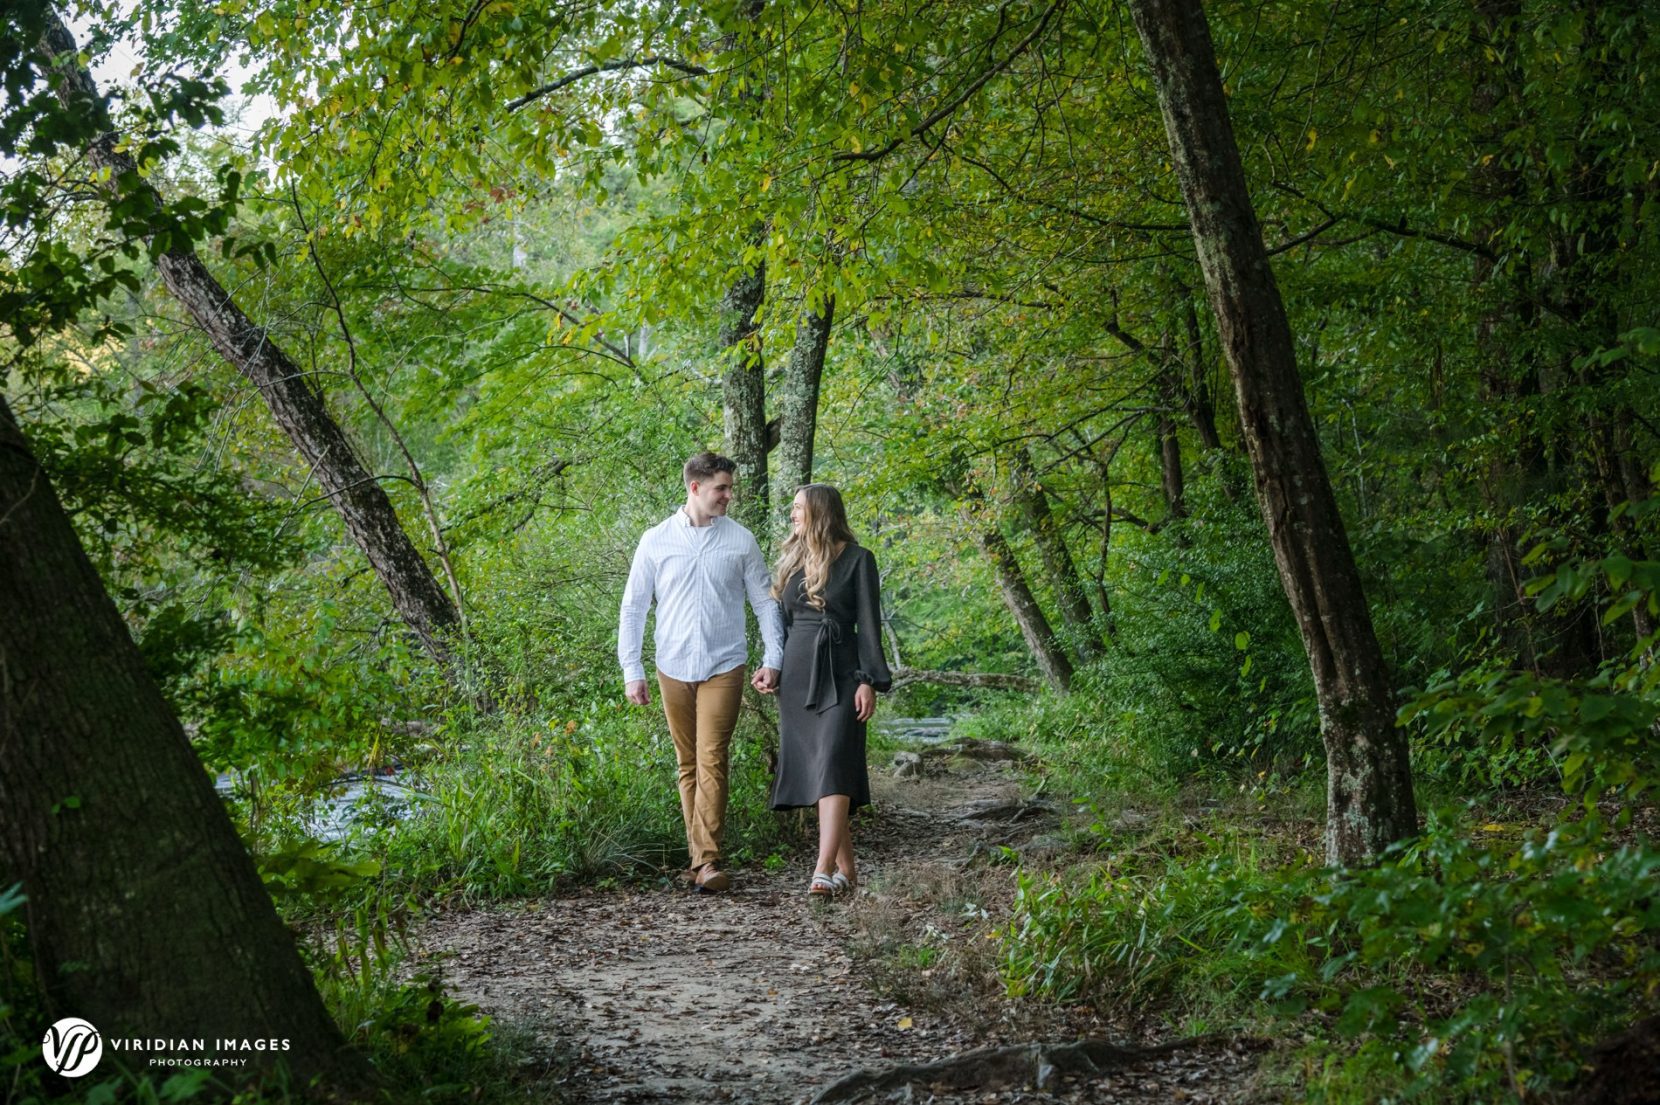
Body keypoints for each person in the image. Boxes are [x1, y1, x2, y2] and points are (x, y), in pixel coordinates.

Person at [618, 452, 784, 893]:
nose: (730, 495)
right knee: (687, 763)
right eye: (722, 489)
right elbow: (634, 607)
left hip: (724, 664)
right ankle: (699, 862)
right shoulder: (655, 540)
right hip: (671, 664)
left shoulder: (741, 540)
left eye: (730, 488)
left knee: (712, 758)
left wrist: (774, 658)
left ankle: (707, 861)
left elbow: (765, 602)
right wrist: (631, 668)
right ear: (695, 488)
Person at [758, 483, 893, 898]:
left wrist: (868, 679)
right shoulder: (793, 561)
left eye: (798, 508)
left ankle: (821, 869)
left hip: (843, 672)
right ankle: (847, 872)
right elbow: (779, 625)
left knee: (834, 762)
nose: (792, 515)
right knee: (821, 774)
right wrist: (771, 667)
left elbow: (869, 625)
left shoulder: (858, 560)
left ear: (820, 512)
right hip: (797, 676)